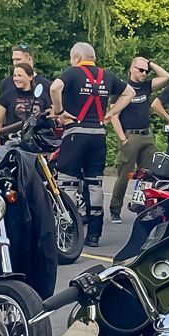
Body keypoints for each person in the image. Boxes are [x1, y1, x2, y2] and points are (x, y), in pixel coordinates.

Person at [50, 42, 125, 245]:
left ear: (76, 58)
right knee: (95, 183)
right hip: (98, 135)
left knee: (68, 182)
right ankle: (94, 234)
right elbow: (130, 93)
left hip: (75, 133)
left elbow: (55, 87)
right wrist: (113, 111)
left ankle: (70, 231)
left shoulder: (72, 73)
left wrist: (59, 112)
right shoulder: (107, 76)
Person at [106, 55, 169, 222]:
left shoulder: (146, 86)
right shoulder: (123, 88)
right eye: (140, 70)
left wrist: (149, 62)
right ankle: (115, 208)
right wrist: (123, 138)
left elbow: (165, 77)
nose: (144, 73)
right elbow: (114, 115)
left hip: (146, 135)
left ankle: (141, 206)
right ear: (131, 69)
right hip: (130, 135)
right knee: (124, 174)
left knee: (148, 175)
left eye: (146, 71)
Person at [0, 62, 50, 140]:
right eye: (14, 76)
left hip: (36, 141)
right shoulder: (7, 95)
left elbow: (50, 119)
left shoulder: (42, 96)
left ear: (30, 77)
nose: (16, 79)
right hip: (11, 140)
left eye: (19, 76)